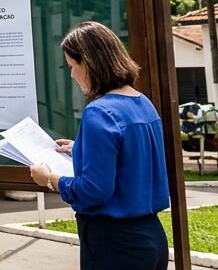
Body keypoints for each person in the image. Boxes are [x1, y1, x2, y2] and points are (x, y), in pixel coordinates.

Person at [28, 22, 170, 270]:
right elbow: (131, 155)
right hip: (152, 239)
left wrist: (50, 179)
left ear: (89, 63)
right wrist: (81, 148)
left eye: (72, 66)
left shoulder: (99, 112)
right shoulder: (142, 102)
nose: (72, 75)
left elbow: (93, 191)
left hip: (113, 244)